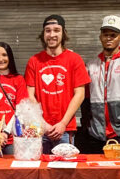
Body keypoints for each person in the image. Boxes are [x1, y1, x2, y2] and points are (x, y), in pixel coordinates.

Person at [79, 15, 120, 154]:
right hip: (95, 136)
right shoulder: (90, 65)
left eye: (113, 35)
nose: (109, 38)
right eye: (105, 34)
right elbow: (84, 100)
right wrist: (87, 126)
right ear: (100, 37)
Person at [25, 15, 91, 153]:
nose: (52, 34)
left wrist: (62, 123)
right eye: (48, 30)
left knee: (64, 171)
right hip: (39, 129)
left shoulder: (75, 60)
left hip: (65, 129)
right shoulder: (34, 61)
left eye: (56, 30)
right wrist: (43, 124)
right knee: (40, 171)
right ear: (43, 34)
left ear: (63, 33)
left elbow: (80, 94)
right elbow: (30, 96)